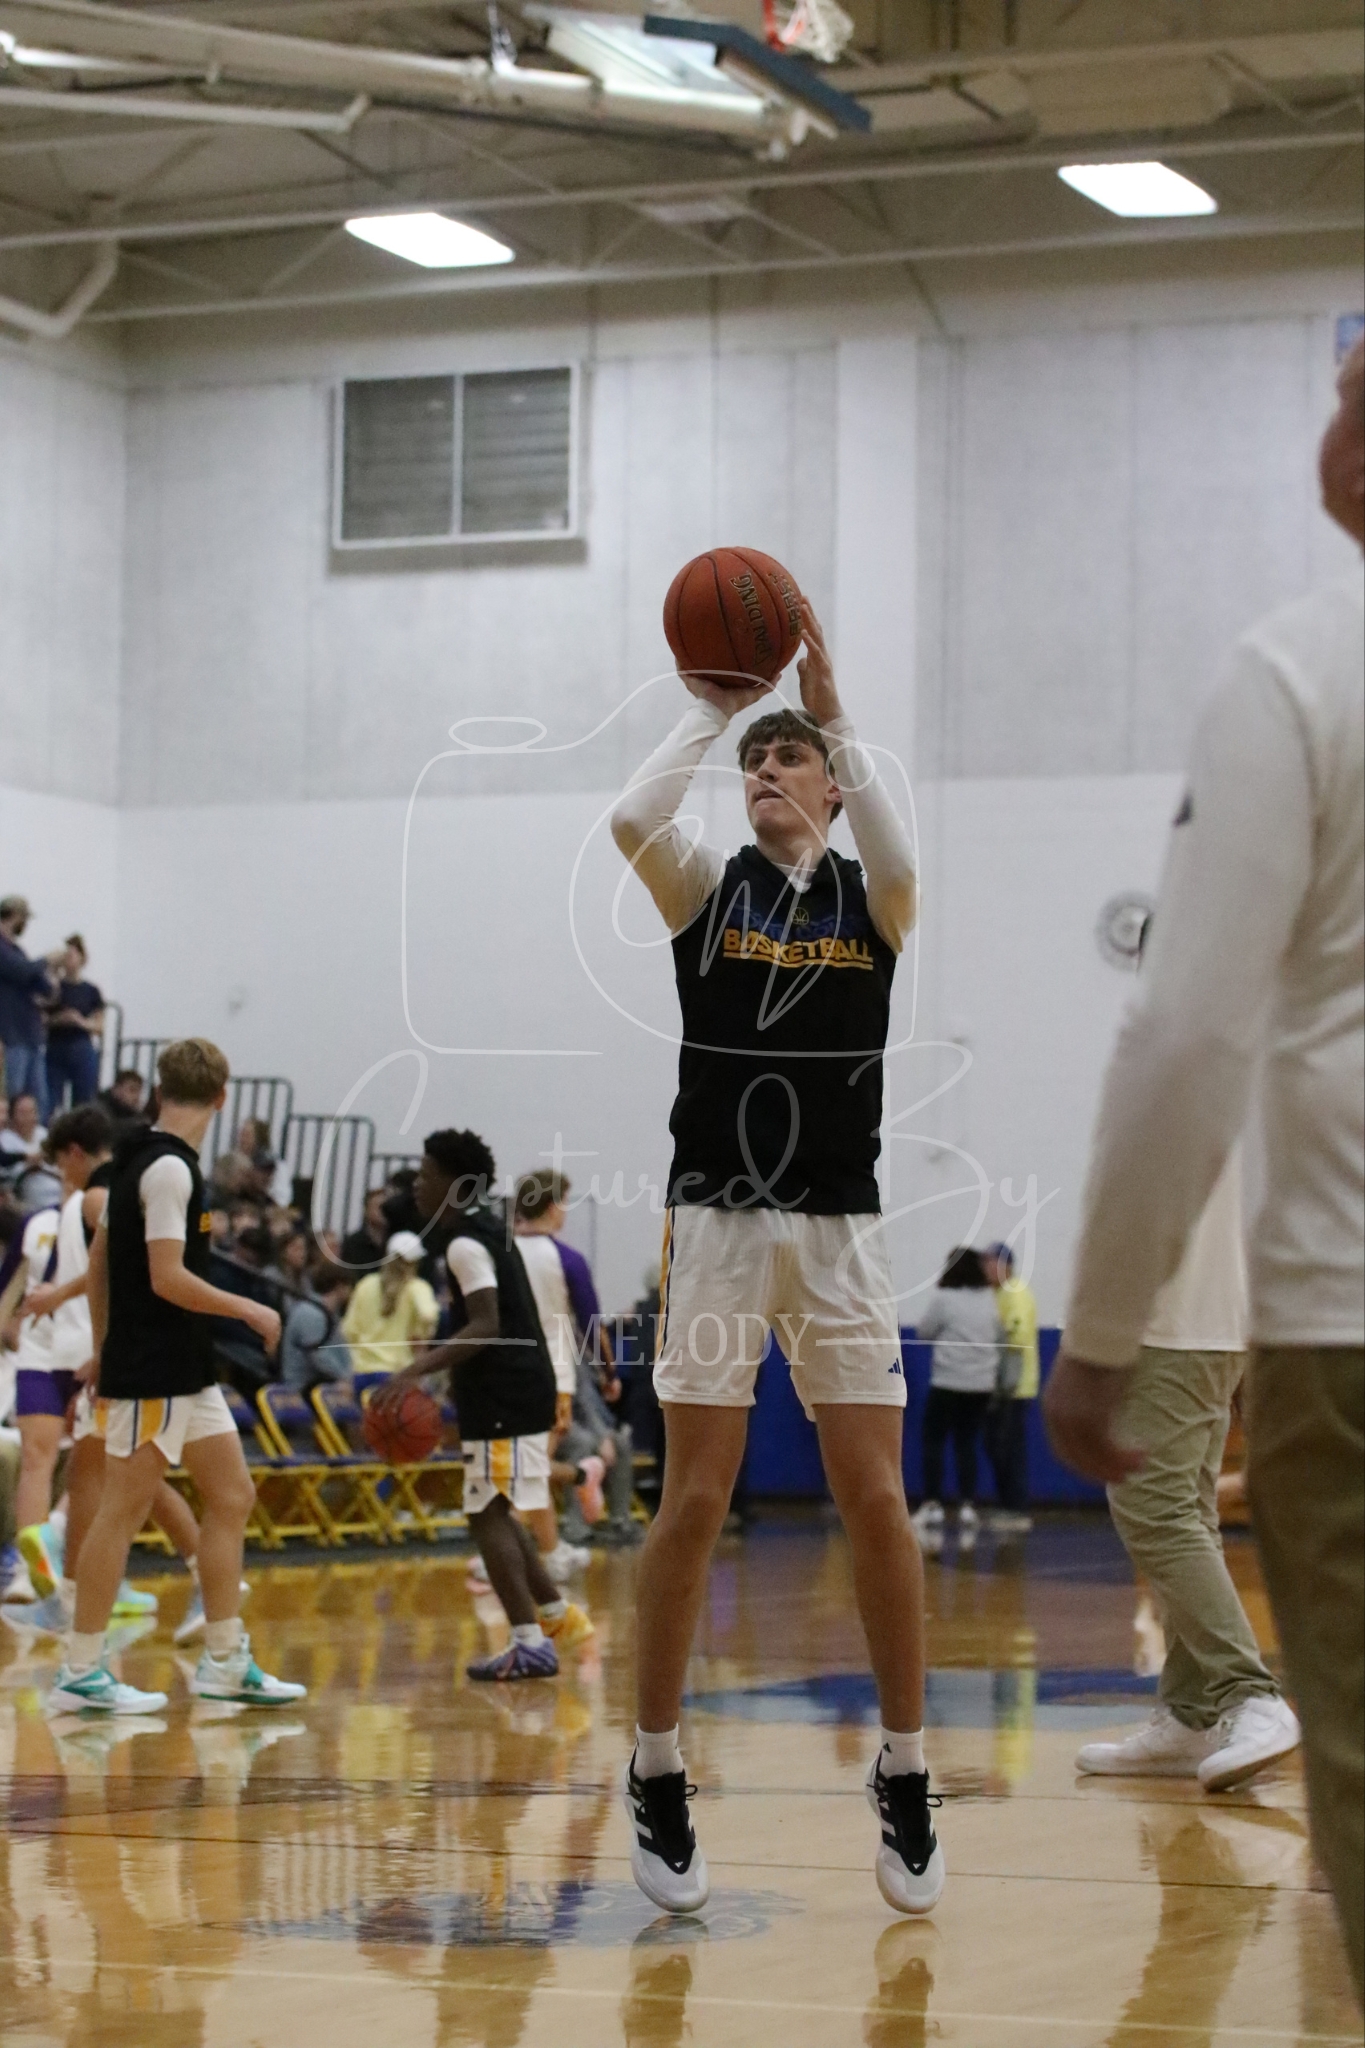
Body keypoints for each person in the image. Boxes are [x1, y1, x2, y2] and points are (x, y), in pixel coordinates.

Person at [1044, 339, 1364, 1999]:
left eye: (1353, 387)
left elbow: (1184, 1046)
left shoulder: (1297, 672)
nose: (1334, 410)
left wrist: (1094, 1328)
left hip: (1336, 1310)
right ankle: (1202, 1699)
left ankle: (1230, 1692)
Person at [610, 598, 940, 1919]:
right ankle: (655, 1763)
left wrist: (835, 716)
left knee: (877, 1497)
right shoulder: (710, 890)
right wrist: (713, 703)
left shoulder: (876, 897)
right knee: (694, 1497)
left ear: (831, 785)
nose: (765, 770)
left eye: (786, 756)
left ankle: (905, 1767)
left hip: (841, 1224)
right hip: (719, 1220)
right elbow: (632, 818)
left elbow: (897, 840)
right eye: (755, 760)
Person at [49, 1037, 305, 1715]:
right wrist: (247, 1307)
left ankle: (224, 1659)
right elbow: (166, 1277)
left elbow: (101, 1264)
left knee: (232, 1495)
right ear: (222, 1098)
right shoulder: (167, 1171)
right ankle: (80, 1671)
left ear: (161, 1090)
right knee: (122, 1512)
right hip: (157, 1367)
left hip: (181, 1367)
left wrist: (102, 1347)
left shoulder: (135, 1155)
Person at [1074, 1141, 1300, 1788]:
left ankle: (1247, 1693)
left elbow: (1137, 1189)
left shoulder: (1178, 1076)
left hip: (1171, 1318)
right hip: (1214, 1316)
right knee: (1186, 1514)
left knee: (1156, 1511)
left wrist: (1095, 1327)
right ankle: (1190, 1713)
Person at [372, 1128, 591, 1680]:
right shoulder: (487, 1228)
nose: (418, 1184)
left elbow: (487, 1323)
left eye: (427, 1175)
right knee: (494, 1506)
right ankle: (555, 1615)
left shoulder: (466, 1243)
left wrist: (415, 1369)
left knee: (486, 1511)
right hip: (516, 1386)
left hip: (505, 1392)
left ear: (454, 1183)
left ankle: (529, 1642)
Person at [8, 1104, 212, 1642]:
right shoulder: (94, 1197)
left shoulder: (98, 1197)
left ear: (78, 1154)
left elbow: (130, 1266)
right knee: (99, 1477)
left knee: (129, 1480)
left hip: (117, 1355)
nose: (61, 1173)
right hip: (104, 1354)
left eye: (61, 1163)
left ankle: (208, 1582)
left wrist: (82, 1322)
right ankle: (70, 1592)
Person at [911, 1248, 1003, 1539]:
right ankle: (967, 1506)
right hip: (981, 1385)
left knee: (934, 1440)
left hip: (948, 1381)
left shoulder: (944, 1299)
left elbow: (925, 1332)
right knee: (967, 1443)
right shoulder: (989, 1299)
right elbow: (998, 1336)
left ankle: (932, 1505)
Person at [982, 1242, 1039, 1533]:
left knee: (1009, 1449)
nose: (984, 1269)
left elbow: (1017, 1337)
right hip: (1000, 1386)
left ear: (1005, 1266)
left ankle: (1017, 1509)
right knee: (997, 1447)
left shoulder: (1015, 1293)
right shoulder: (998, 1294)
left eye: (989, 1263)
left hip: (1014, 1387)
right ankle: (1007, 1505)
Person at [341, 1232, 438, 1377]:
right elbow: (428, 1316)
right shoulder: (418, 1288)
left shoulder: (366, 1284)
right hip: (398, 1375)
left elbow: (349, 1330)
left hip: (361, 1372)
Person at [0, 895, 56, 1119]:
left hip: (29, 1034)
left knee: (39, 1099)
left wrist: (49, 981)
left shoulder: (16, 950)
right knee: (14, 1096)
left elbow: (38, 982)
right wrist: (46, 961)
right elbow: (21, 971)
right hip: (11, 1035)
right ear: (15, 916)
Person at [44, 936, 105, 1110]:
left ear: (82, 958)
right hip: (56, 1044)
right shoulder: (54, 987)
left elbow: (99, 1026)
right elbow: (42, 1018)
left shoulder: (91, 991)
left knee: (84, 1100)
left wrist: (80, 1021)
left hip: (81, 1045)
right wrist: (58, 1019)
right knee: (52, 1098)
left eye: (71, 955)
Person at [280, 1264, 353, 1392]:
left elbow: (342, 1350)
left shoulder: (331, 1315)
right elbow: (318, 1357)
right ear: (340, 1287)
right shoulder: (310, 1313)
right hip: (302, 1386)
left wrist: (349, 1376)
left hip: (324, 1380)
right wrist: (343, 1377)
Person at [340, 1187, 393, 1274]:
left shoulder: (395, 1240)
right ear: (366, 1210)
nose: (384, 1211)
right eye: (380, 1207)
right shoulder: (353, 1243)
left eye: (388, 1207)